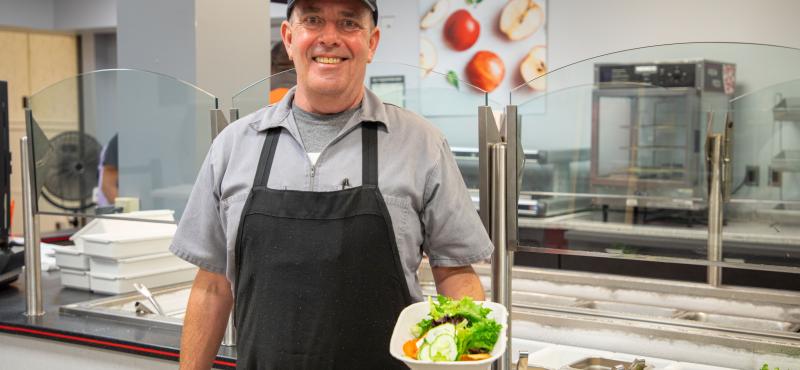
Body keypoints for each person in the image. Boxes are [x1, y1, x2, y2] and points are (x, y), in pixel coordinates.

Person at [169, 0, 493, 369]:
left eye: (349, 23)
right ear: (289, 38)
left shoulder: (422, 144)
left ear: (371, 43)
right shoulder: (233, 145)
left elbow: (456, 276)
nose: (329, 37)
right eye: (313, 20)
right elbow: (212, 286)